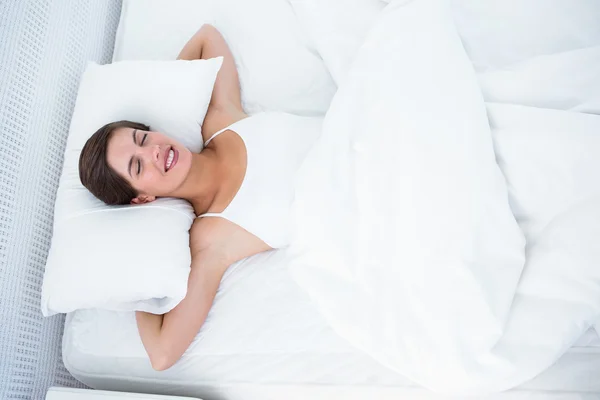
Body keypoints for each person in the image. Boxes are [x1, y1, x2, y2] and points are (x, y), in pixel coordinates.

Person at [79, 24, 304, 371]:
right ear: (142, 198)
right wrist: (139, 252)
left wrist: (172, 102)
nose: (153, 152)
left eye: (142, 138)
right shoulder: (210, 242)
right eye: (137, 168)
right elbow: (162, 354)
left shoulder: (221, 119)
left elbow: (207, 36)